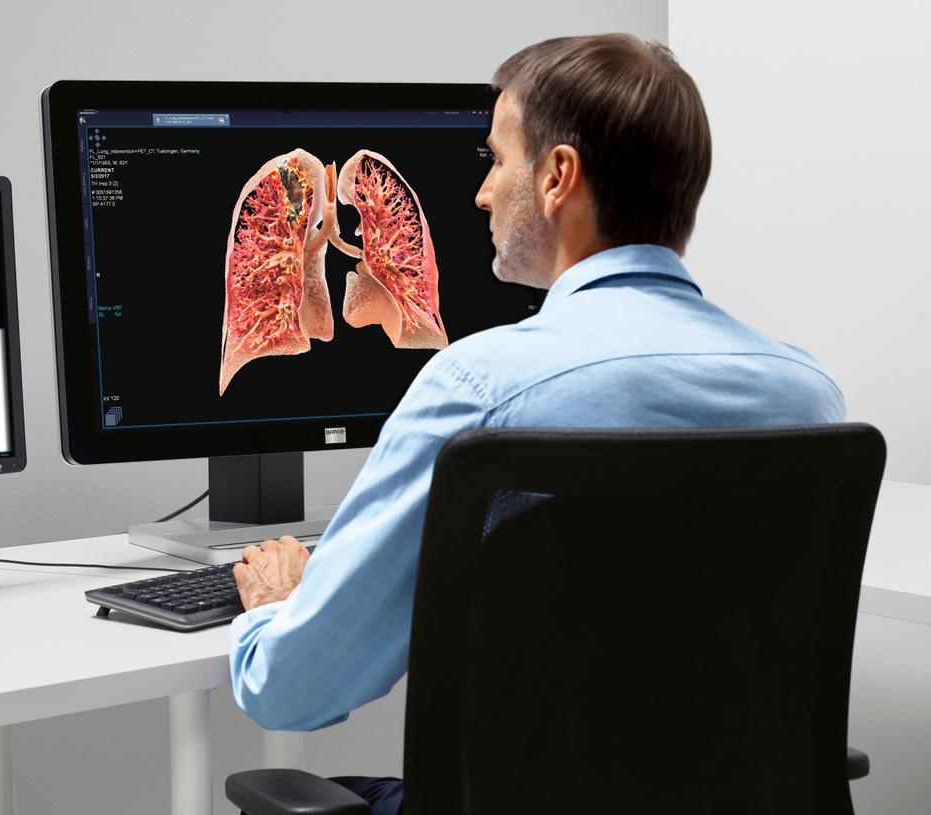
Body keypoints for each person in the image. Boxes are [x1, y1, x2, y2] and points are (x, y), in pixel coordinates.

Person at [229, 33, 845, 815]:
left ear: (557, 177)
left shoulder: (479, 389)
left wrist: (282, 605)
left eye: (497, 159)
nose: (484, 194)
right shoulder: (807, 397)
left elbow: (291, 690)